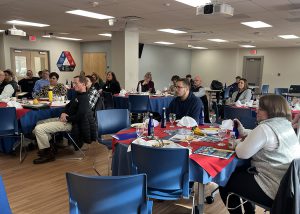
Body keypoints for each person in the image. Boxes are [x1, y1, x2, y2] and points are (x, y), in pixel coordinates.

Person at [219, 94, 300, 213]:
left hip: (272, 189)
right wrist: (243, 132)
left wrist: (237, 142)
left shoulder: (265, 128)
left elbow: (242, 153)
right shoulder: (286, 125)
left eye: (261, 109)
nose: (256, 110)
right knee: (242, 173)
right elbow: (261, 137)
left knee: (224, 181)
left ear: (272, 111)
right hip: (288, 189)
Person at [32, 75, 96, 164]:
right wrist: (63, 113)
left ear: (83, 84)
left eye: (75, 83)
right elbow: (68, 106)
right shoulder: (78, 95)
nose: (73, 85)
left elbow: (80, 116)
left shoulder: (84, 98)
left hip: (71, 124)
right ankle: (50, 147)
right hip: (66, 119)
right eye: (73, 83)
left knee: (39, 129)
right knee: (38, 123)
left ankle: (48, 154)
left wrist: (67, 118)